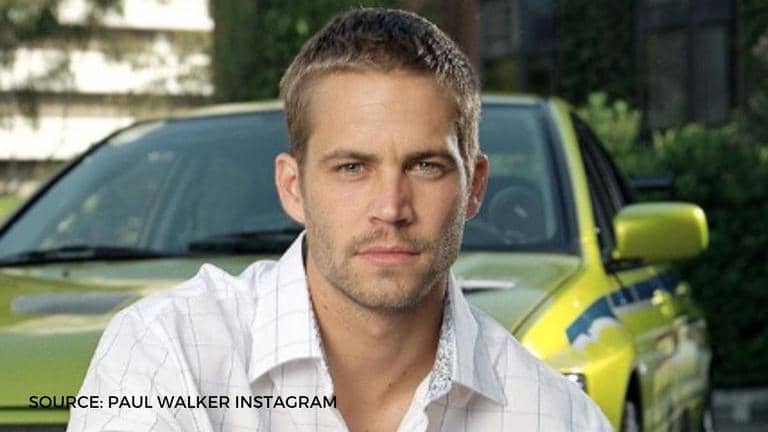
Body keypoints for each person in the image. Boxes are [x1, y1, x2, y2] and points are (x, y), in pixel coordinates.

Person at [68, 8, 613, 432]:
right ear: (293, 187)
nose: (391, 208)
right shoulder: (171, 350)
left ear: (474, 186)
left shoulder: (555, 417)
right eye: (352, 168)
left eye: (425, 166)